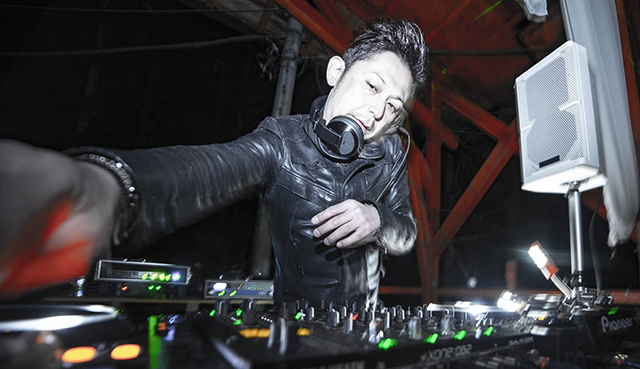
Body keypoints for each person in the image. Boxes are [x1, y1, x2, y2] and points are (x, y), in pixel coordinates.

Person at [0, 18, 429, 307]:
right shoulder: (283, 142)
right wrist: (106, 187)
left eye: (394, 107)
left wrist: (377, 219)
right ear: (336, 72)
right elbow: (213, 169)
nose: (379, 113)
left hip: (368, 323)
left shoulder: (390, 152)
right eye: (372, 87)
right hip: (297, 325)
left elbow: (406, 233)